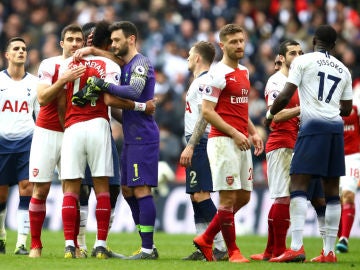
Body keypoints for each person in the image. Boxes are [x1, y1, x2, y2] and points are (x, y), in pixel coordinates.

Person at [264, 24, 353, 263]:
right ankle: (329, 252)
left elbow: (284, 95)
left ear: (314, 41)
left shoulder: (303, 62)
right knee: (332, 191)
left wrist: (270, 114)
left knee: (298, 184)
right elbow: (346, 109)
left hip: (312, 128)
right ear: (334, 46)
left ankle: (295, 246)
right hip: (336, 130)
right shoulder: (344, 70)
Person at [79, 21, 160, 260]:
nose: (113, 45)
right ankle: (146, 245)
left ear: (131, 39)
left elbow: (134, 91)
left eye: (116, 40)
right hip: (131, 135)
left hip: (143, 136)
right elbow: (116, 103)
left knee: (141, 189)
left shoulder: (141, 63)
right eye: (111, 41)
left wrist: (103, 85)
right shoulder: (126, 66)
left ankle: (148, 249)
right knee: (127, 190)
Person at [192, 24, 264, 263]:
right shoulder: (216, 74)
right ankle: (233, 252)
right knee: (227, 199)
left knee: (244, 197)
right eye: (233, 42)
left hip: (241, 139)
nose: (240, 45)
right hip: (223, 141)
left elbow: (239, 109)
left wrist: (252, 132)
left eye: (241, 40)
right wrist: (234, 133)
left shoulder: (244, 71)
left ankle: (206, 238)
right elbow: (207, 112)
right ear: (222, 45)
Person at [28, 24, 86, 258]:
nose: (74, 43)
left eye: (78, 40)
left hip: (73, 132)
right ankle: (35, 245)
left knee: (71, 191)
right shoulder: (49, 65)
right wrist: (63, 79)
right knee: (40, 190)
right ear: (62, 43)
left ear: (83, 44)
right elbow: (42, 98)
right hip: (46, 131)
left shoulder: (87, 67)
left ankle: (70, 246)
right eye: (70, 39)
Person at [250, 40, 303, 261]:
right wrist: (304, 107)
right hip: (280, 144)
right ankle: (279, 251)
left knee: (283, 198)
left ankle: (270, 251)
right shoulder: (276, 81)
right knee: (283, 199)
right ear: (281, 58)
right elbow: (275, 115)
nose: (298, 56)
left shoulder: (298, 82)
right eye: (292, 52)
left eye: (301, 52)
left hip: (295, 143)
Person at [179, 41, 227, 261]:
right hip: (197, 142)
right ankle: (204, 247)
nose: (188, 58)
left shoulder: (203, 82)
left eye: (190, 54)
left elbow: (203, 116)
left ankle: (221, 246)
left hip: (201, 143)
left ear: (198, 57)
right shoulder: (201, 81)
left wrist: (190, 145)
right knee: (195, 196)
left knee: (201, 194)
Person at [0, 37, 38, 255]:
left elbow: (40, 115)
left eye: (24, 49)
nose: (21, 51)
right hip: (2, 141)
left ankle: (21, 243)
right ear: (7, 55)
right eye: (16, 48)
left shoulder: (34, 83)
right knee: (1, 194)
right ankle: (2, 236)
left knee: (27, 187)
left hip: (27, 140)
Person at [335, 104, 360, 253]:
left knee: (348, 196)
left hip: (353, 157)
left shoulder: (356, 109)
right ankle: (338, 237)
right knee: (335, 201)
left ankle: (344, 238)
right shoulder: (328, 106)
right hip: (334, 156)